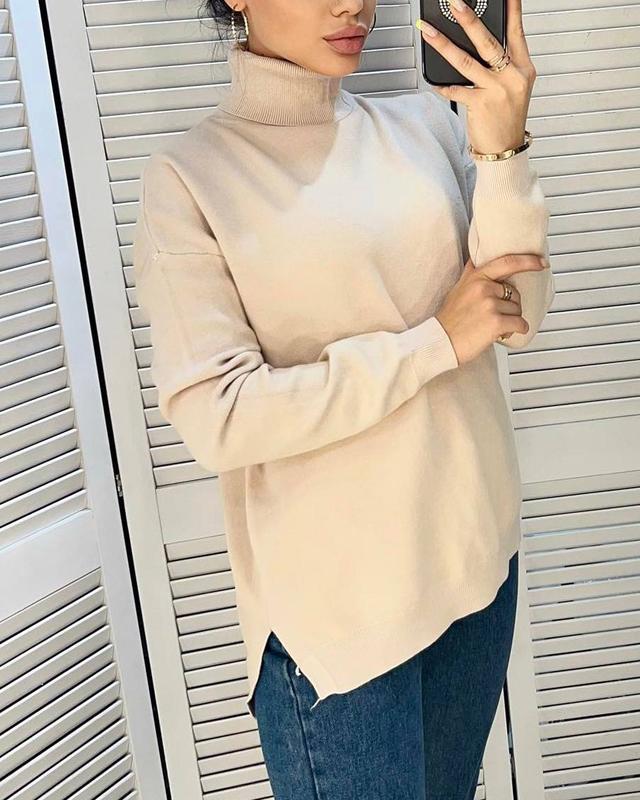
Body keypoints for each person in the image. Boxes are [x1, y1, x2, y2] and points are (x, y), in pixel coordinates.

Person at [132, 0, 554, 796]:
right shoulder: (191, 178)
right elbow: (222, 417)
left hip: (476, 574)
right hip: (341, 633)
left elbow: (521, 315)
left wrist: (503, 150)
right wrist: (434, 342)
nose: (352, 4)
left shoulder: (424, 126)